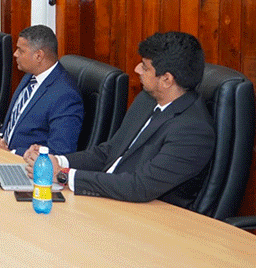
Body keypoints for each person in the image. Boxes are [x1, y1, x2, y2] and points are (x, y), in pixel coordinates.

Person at [23, 32, 215, 207]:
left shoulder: (193, 130)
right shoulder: (147, 100)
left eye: (145, 67)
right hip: (108, 199)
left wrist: (62, 175)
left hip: (145, 218)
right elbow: (108, 153)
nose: (137, 69)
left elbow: (140, 186)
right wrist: (56, 161)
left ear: (166, 80)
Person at [0, 25, 83, 155]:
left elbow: (61, 150)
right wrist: (0, 137)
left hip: (26, 166)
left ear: (39, 56)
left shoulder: (66, 96)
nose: (15, 54)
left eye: (21, 51)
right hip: (1, 154)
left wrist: (11, 153)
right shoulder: (30, 76)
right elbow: (13, 119)